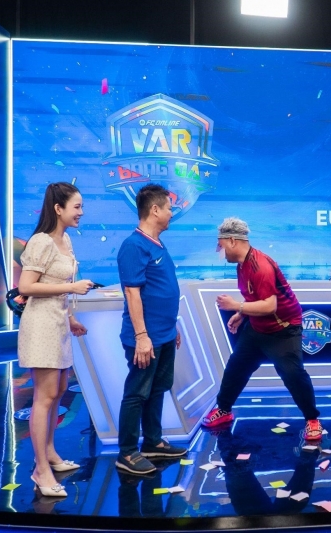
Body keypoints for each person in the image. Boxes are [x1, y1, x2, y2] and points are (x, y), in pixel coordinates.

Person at [202, 218, 322, 441]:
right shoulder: (242, 265)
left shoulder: (261, 266)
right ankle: (224, 410)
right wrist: (242, 315)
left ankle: (312, 420)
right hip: (257, 328)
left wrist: (236, 306)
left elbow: (269, 306)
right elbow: (254, 297)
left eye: (220, 245)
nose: (219, 251)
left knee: (293, 375)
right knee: (236, 368)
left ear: (232, 241)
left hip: (283, 329)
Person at [18, 182, 94, 497]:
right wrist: (71, 288)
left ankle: (50, 453)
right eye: (76, 206)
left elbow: (57, 286)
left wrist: (71, 318)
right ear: (58, 208)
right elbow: (26, 287)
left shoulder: (66, 240)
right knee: (45, 396)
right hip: (41, 327)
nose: (81, 212)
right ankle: (40, 469)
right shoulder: (41, 241)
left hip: (58, 324)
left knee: (59, 390)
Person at [116, 184, 187, 475]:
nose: (172, 212)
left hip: (165, 334)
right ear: (155, 210)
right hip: (146, 338)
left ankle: (153, 442)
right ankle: (127, 452)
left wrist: (172, 326)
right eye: (169, 208)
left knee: (159, 387)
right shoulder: (134, 246)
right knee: (137, 392)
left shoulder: (157, 243)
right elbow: (132, 293)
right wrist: (142, 337)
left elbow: (160, 290)